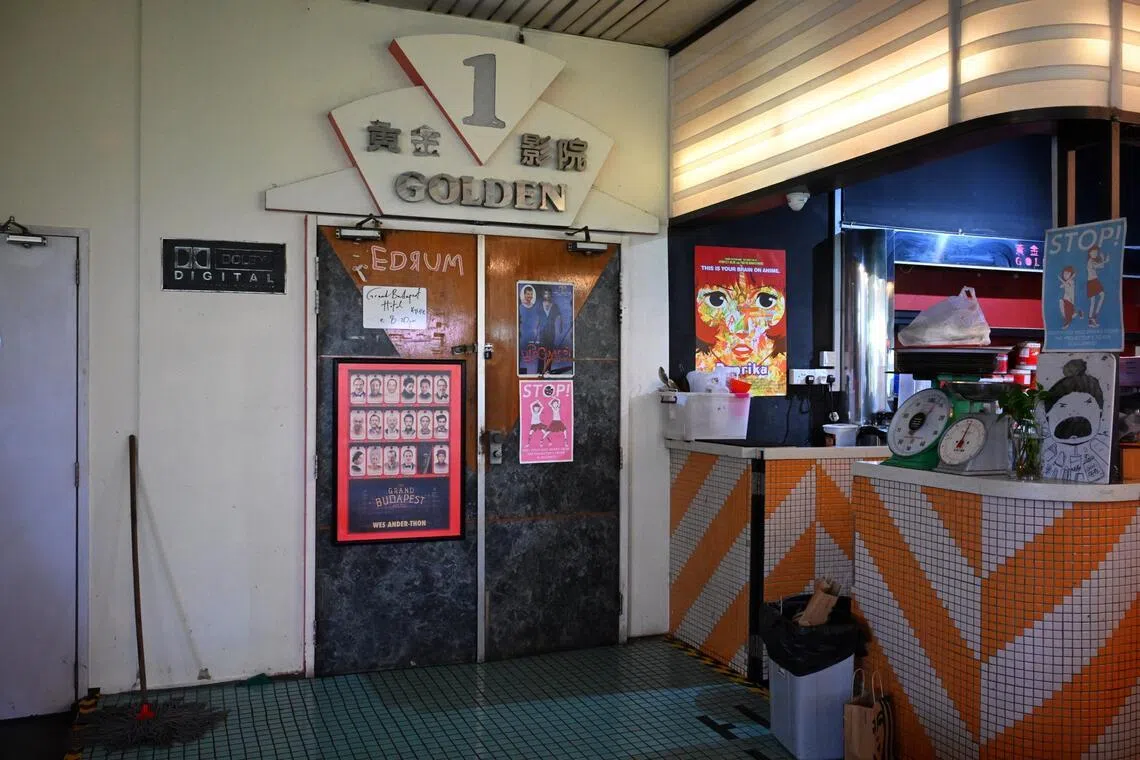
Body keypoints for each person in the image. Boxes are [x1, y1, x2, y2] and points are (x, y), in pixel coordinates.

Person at [694, 270, 787, 396]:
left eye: (765, 301)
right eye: (716, 300)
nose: (741, 329)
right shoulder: (703, 362)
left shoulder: (778, 367)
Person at [535, 288, 564, 374]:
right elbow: (538, 319)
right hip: (542, 332)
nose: (547, 296)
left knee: (550, 351)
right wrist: (536, 330)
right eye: (545, 294)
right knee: (541, 351)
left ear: (551, 295)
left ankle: (548, 370)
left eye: (549, 294)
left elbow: (560, 317)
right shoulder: (540, 305)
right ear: (543, 295)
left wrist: (561, 327)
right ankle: (540, 370)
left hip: (551, 331)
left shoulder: (555, 306)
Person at [1086, 245, 1108, 327]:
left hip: (1095, 281)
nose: (1096, 253)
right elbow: (1097, 266)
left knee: (1101, 296)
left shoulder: (1093, 260)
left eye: (1096, 252)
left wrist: (1102, 260)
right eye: (1094, 252)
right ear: (1090, 253)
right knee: (1093, 301)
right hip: (1091, 282)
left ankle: (1093, 318)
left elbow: (1101, 266)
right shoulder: (1090, 261)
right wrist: (1104, 261)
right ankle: (1091, 319)